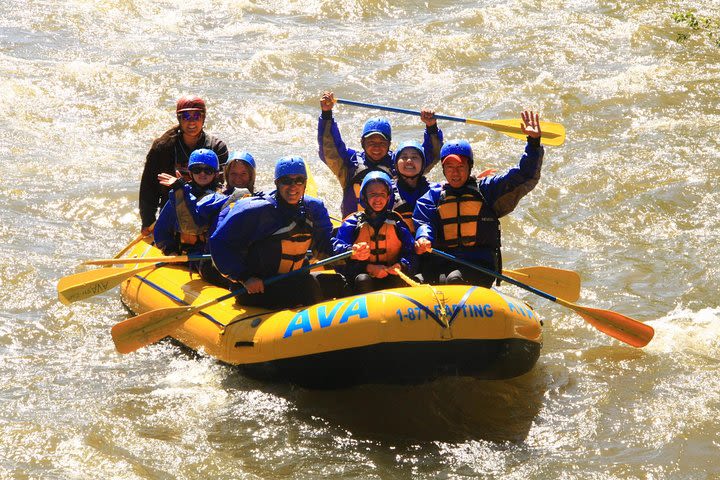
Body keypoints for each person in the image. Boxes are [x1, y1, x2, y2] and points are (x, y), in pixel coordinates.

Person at [413, 111, 544, 287]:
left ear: (470, 166)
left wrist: (533, 144)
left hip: (479, 265)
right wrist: (423, 237)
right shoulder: (432, 197)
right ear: (443, 169)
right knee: (420, 280)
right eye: (449, 167)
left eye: (460, 166)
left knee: (454, 280)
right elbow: (424, 222)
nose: (455, 172)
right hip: (443, 262)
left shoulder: (487, 190)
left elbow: (524, 176)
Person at [209, 156, 334, 308]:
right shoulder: (256, 210)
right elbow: (219, 242)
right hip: (258, 286)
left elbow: (325, 246)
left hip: (293, 280)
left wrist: (350, 249)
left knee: (315, 286)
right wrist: (245, 277)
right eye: (286, 181)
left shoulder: (314, 208)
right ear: (277, 183)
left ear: (305, 183)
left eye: (299, 180)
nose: (293, 186)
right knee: (288, 296)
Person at [317, 91, 443, 218]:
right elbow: (329, 149)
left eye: (382, 142)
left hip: (390, 230)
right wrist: (327, 113)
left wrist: (431, 127)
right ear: (362, 143)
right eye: (371, 141)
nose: (376, 147)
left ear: (389, 144)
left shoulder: (400, 163)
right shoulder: (349, 164)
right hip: (353, 231)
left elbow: (429, 157)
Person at [139, 95, 229, 235]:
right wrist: (147, 221)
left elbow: (221, 187)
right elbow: (148, 188)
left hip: (207, 209)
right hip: (172, 209)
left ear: (203, 118)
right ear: (179, 119)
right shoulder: (163, 147)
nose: (191, 121)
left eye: (197, 116)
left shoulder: (217, 147)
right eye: (186, 116)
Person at [333, 171, 415, 294]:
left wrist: (401, 265)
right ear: (364, 197)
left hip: (392, 275)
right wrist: (365, 266)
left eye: (382, 193)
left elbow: (411, 252)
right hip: (362, 279)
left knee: (405, 279)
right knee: (363, 279)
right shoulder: (352, 223)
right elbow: (337, 252)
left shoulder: (397, 222)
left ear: (388, 197)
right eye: (372, 194)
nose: (378, 198)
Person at [153, 149, 221, 256]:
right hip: (180, 252)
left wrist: (181, 189)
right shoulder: (178, 193)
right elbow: (162, 226)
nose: (202, 174)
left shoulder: (219, 197)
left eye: (208, 170)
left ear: (216, 174)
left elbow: (194, 226)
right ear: (190, 173)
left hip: (205, 255)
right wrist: (169, 250)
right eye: (197, 170)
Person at [391, 139, 440, 235]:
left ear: (423, 164)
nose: (409, 161)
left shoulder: (435, 191)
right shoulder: (386, 192)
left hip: (428, 245)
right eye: (404, 157)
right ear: (396, 165)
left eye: (414, 157)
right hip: (400, 246)